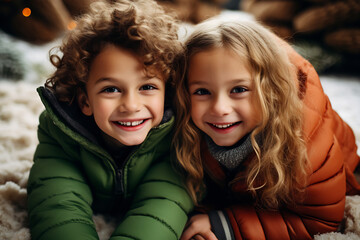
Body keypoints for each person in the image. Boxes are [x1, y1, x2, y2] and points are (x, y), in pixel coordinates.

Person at [173, 18, 360, 240]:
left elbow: (321, 220)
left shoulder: (305, 146)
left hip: (337, 169)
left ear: (271, 92)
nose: (220, 108)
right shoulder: (186, 124)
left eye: (239, 89)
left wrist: (225, 225)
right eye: (202, 91)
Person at [27, 0, 193, 239]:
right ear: (85, 101)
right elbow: (57, 202)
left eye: (147, 86)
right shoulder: (60, 131)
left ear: (166, 91)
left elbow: (162, 206)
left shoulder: (175, 138)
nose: (131, 105)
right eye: (111, 90)